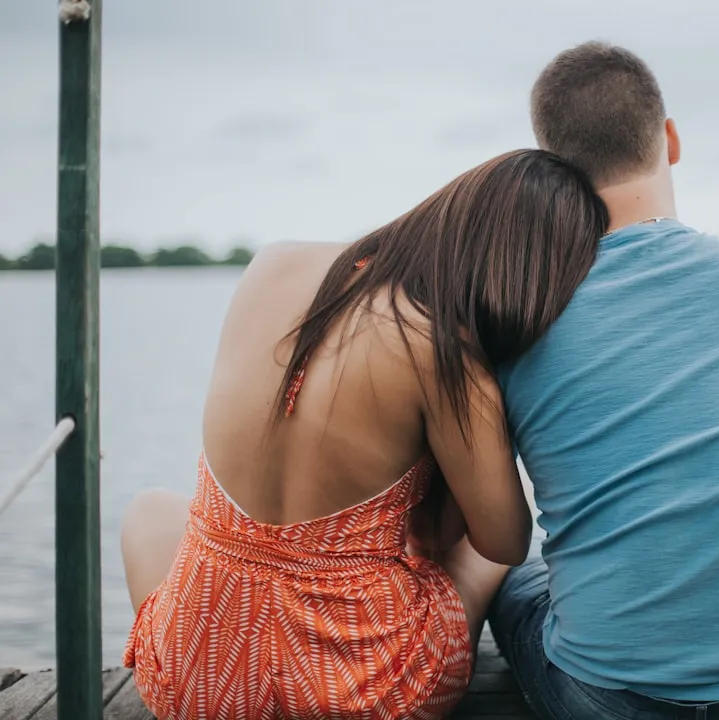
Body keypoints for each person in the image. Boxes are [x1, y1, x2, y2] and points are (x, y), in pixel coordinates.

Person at [119, 149, 608, 720]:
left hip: (199, 688)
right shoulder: (447, 349)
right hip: (362, 697)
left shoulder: (271, 263)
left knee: (151, 510)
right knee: (485, 552)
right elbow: (502, 542)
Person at [488, 42, 719, 720]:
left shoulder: (521, 313)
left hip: (605, 701)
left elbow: (493, 527)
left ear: (551, 167)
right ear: (671, 139)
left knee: (516, 575)